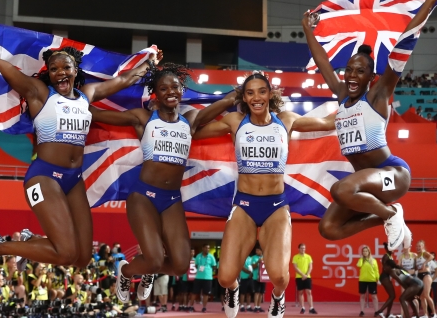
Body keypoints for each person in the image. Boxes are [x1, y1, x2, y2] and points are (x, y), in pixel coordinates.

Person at [0, 11, 164, 276]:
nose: (60, 72)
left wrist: (150, 63)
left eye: (66, 68)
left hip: (73, 179)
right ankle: (0, 247)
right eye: (55, 68)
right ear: (49, 72)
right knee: (65, 252)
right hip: (44, 176)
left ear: (75, 71)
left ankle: (29, 241)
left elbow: (125, 80)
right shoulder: (38, 93)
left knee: (81, 258)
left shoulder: (86, 96)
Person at [193, 70, 341, 318]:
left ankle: (278, 296)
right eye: (249, 93)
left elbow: (328, 123)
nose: (256, 97)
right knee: (225, 277)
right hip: (243, 204)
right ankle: (234, 289)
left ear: (270, 94)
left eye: (262, 91)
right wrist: (228, 100)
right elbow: (194, 130)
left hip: (276, 206)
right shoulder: (235, 122)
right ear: (244, 97)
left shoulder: (286, 120)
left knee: (280, 276)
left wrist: (359, 106)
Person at [300, 0, 437, 252]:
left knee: (341, 189)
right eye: (349, 70)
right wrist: (307, 30)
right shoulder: (343, 96)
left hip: (393, 175)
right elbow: (322, 61)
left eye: (359, 71)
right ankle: (386, 216)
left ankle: (390, 214)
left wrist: (429, 4)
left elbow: (404, 44)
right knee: (328, 229)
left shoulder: (378, 95)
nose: (352, 76)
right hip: (367, 187)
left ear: (371, 77)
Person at [108, 65, 238, 304]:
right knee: (155, 259)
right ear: (155, 93)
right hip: (143, 197)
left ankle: (147, 270)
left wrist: (239, 94)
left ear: (182, 90)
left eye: (175, 87)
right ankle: (126, 272)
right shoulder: (144, 118)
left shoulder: (189, 121)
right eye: (163, 88)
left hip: (171, 200)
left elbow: (223, 104)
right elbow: (99, 114)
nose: (170, 91)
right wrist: (73, 101)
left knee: (179, 265)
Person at [189, 245, 217, 313]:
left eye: (209, 248)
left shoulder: (211, 256)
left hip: (208, 278)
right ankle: (191, 307)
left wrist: (211, 272)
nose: (208, 249)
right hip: (198, 277)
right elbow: (195, 265)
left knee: (206, 293)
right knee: (194, 293)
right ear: (203, 248)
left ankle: (204, 307)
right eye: (206, 248)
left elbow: (214, 266)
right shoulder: (198, 256)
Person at [292, 243, 316, 314]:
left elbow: (310, 267)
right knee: (300, 292)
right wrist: (302, 275)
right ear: (298, 249)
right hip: (299, 277)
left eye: (304, 248)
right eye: (302, 248)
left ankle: (311, 308)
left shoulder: (308, 257)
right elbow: (295, 267)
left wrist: (306, 275)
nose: (303, 249)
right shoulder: (295, 257)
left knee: (309, 292)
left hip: (307, 277)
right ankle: (302, 307)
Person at [414, 240, 437, 317]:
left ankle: (434, 313)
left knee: (427, 295)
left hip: (426, 275)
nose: (418, 248)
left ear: (423, 247)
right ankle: (425, 314)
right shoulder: (417, 256)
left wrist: (425, 262)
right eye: (416, 246)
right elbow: (416, 267)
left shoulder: (424, 253)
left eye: (419, 246)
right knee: (422, 297)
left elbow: (431, 256)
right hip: (419, 275)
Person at [357, 246, 379, 316]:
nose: (365, 252)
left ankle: (376, 311)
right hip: (362, 280)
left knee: (374, 296)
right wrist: (361, 259)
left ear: (369, 252)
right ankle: (362, 311)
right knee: (362, 296)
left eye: (366, 251)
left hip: (372, 280)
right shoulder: (361, 260)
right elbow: (358, 265)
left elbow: (376, 270)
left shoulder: (373, 260)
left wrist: (377, 279)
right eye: (363, 251)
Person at [376, 243, 396, 318]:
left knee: (391, 296)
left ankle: (388, 314)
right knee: (392, 296)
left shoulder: (390, 256)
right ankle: (380, 311)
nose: (393, 249)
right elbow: (385, 269)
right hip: (384, 277)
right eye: (392, 248)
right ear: (388, 249)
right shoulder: (386, 256)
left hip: (388, 277)